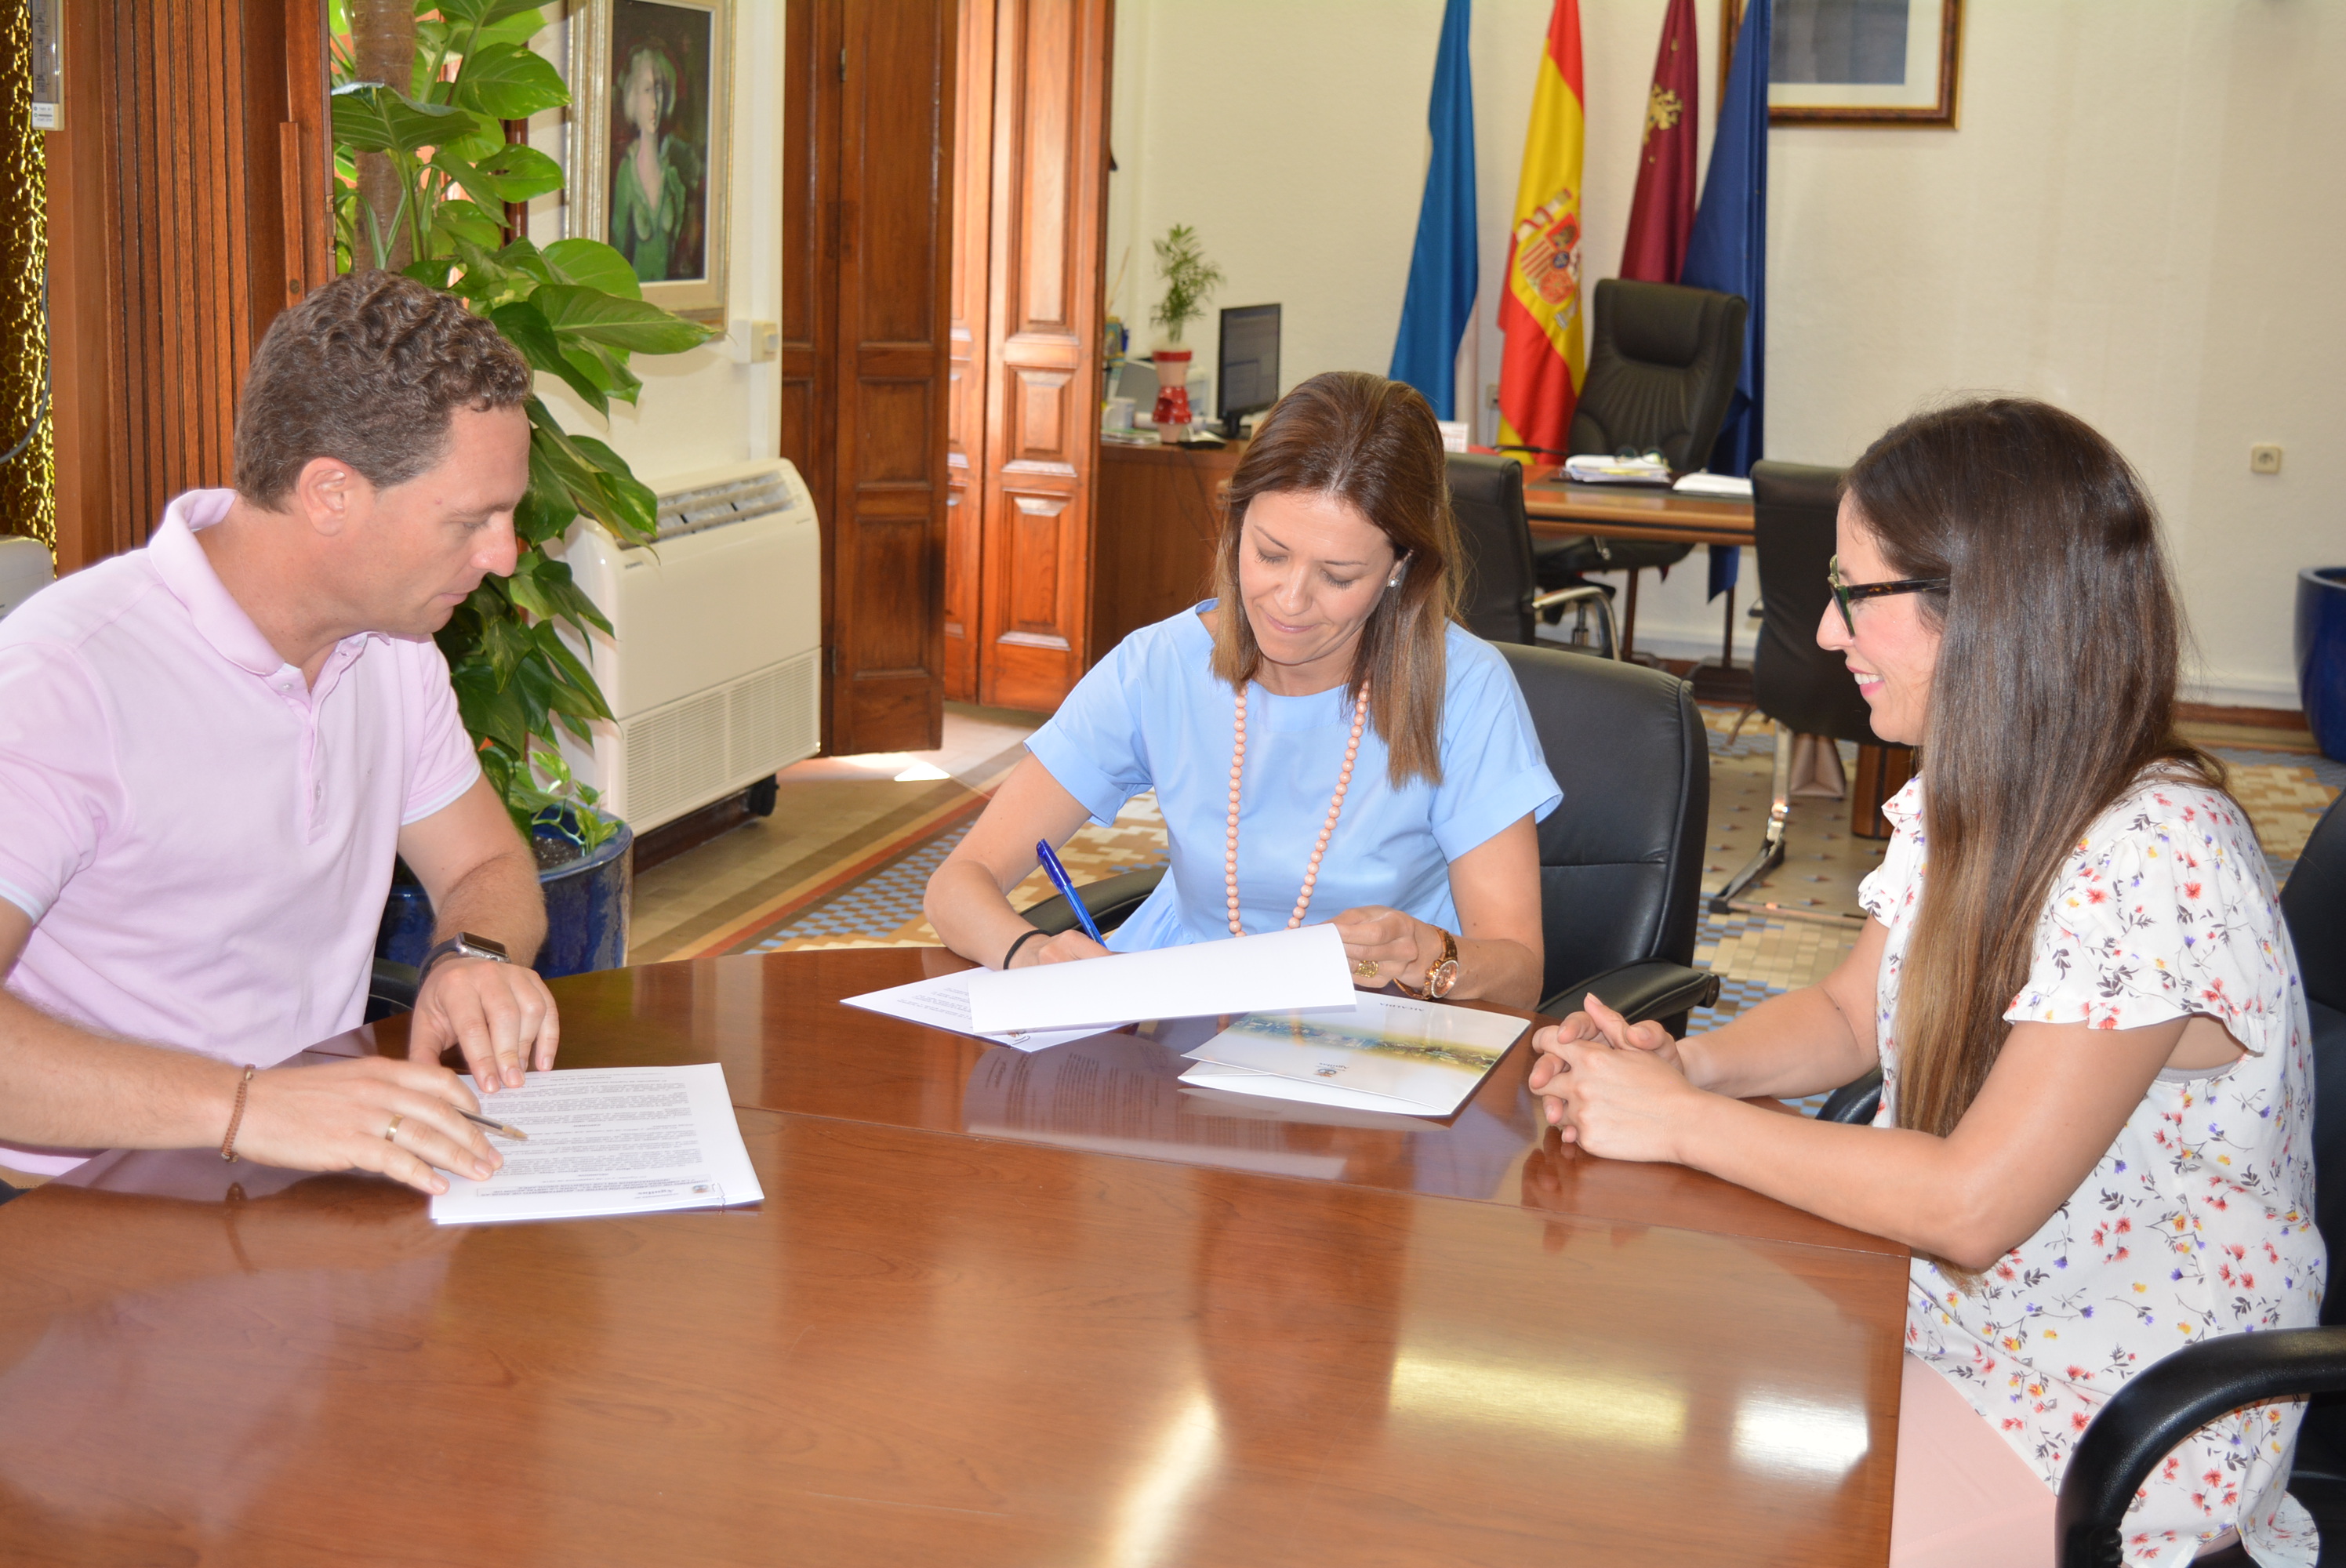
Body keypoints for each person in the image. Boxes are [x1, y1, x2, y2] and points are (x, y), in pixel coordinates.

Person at [1526, 397, 2322, 1566]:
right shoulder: (1974, 791)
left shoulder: (2152, 854)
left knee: (1697, 1525)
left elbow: (1969, 1206)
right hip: (1946, 1318)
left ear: (1988, 609)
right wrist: (1687, 1066)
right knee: (1626, 1428)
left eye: (1853, 593)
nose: (1827, 632)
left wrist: (1683, 1124)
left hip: (2106, 1410)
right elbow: (1851, 1012)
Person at [0, 269, 565, 1199]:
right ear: (330, 493)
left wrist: (472, 956)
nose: (503, 555)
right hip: (85, 1198)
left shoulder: (392, 646)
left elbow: (484, 866)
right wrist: (247, 1106)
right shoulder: (65, 677)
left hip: (307, 1164)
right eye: (471, 520)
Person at [924, 370, 1560, 1009]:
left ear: (1401, 567)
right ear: (1236, 522)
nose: (1290, 601)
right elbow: (958, 884)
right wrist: (1030, 954)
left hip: (1375, 1027)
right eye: (1270, 554)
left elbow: (1520, 975)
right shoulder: (1160, 666)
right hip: (1184, 1013)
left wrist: (1432, 958)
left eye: (1338, 576)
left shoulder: (1466, 691)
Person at [609, 43, 702, 283]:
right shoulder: (626, 173)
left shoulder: (673, 174)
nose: (654, 104)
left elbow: (685, 252)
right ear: (632, 96)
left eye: (659, 89)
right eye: (647, 90)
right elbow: (614, 260)